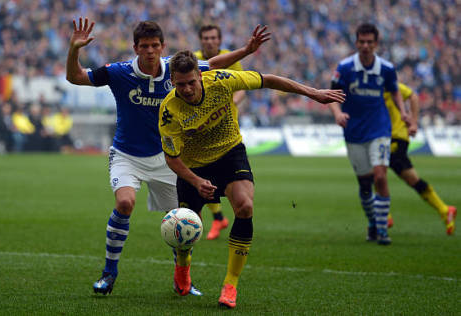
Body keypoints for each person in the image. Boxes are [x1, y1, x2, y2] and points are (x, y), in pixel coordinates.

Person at [65, 17, 270, 296]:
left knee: (183, 220)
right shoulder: (118, 72)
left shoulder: (175, 71)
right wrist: (74, 49)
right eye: (144, 46)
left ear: (162, 46)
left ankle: (182, 279)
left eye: (154, 45)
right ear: (135, 47)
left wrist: (246, 50)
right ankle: (109, 273)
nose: (150, 51)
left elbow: (217, 65)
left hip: (166, 159)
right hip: (127, 155)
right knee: (125, 202)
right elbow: (75, 77)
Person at [159, 50, 345, 308]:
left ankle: (230, 284)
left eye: (191, 82)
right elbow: (172, 158)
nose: (187, 89)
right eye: (181, 84)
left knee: (245, 207)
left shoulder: (222, 80)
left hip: (229, 153)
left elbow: (268, 80)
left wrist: (313, 93)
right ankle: (182, 266)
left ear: (201, 76)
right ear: (172, 82)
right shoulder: (169, 111)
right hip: (194, 166)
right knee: (186, 230)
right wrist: (195, 181)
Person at [328, 23, 408, 245]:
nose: (365, 46)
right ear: (356, 43)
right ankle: (372, 222)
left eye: (369, 42)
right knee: (364, 184)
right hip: (353, 131)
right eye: (361, 42)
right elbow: (333, 95)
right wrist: (337, 113)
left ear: (376, 44)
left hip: (379, 128)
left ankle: (382, 230)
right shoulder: (344, 68)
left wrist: (403, 113)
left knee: (380, 176)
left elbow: (395, 92)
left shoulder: (386, 68)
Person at [194, 24, 246, 240]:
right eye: (205, 37)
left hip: (226, 128)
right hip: (200, 129)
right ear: (201, 40)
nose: (209, 41)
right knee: (202, 178)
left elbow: (243, 86)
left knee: (220, 180)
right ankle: (218, 219)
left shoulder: (231, 59)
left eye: (213, 37)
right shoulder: (193, 60)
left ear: (220, 40)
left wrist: (231, 100)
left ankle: (228, 219)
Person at [384, 82, 456, 234]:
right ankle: (444, 209)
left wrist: (414, 123)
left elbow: (413, 96)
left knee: (376, 171)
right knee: (410, 178)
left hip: (396, 136)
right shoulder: (366, 85)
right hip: (381, 137)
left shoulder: (386, 82)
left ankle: (383, 216)